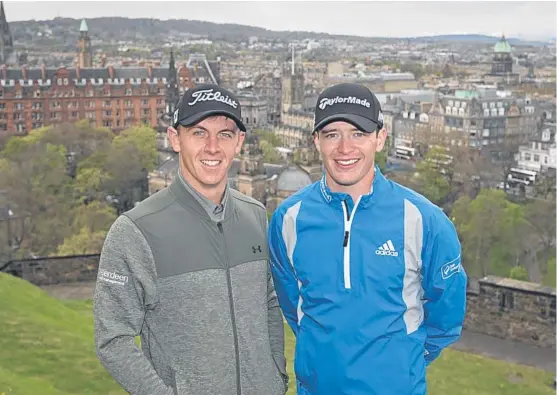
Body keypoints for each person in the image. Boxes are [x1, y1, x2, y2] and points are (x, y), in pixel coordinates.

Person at [268, 83, 467, 395]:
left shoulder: (424, 220)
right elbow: (295, 308)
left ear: (380, 138)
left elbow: (447, 313)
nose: (345, 147)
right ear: (316, 141)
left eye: (358, 133)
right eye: (332, 134)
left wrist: (402, 361)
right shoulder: (287, 220)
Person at [94, 84, 288, 395]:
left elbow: (268, 303)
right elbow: (112, 339)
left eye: (224, 134)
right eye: (199, 133)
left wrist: (276, 377)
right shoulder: (135, 229)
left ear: (239, 141)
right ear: (175, 139)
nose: (213, 147)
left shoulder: (255, 216)